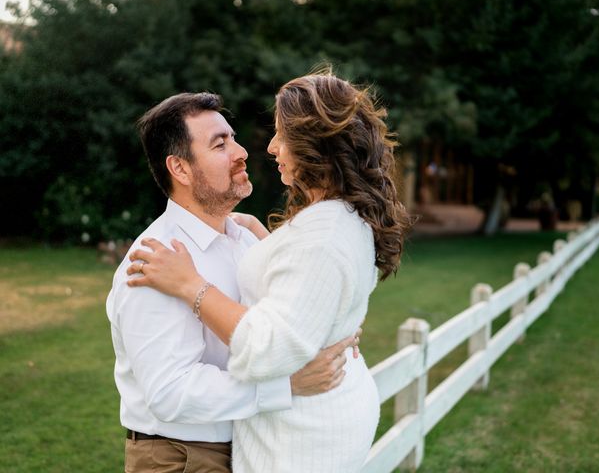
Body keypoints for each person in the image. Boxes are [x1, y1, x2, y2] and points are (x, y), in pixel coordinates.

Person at [128, 72, 411, 472]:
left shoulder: (303, 235)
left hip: (291, 444)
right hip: (185, 453)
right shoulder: (156, 261)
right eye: (220, 143)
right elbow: (169, 392)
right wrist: (286, 383)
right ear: (181, 168)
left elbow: (280, 328)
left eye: (278, 134)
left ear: (313, 145)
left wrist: (193, 286)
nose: (254, 149)